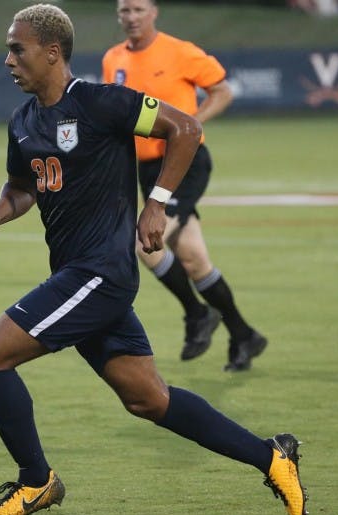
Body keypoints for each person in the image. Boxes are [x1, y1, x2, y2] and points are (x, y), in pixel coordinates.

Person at [0, 3, 307, 515]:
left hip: (98, 273)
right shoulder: (24, 121)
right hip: (79, 274)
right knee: (149, 399)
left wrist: (158, 202)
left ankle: (36, 482)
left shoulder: (104, 103)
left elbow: (186, 129)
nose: (8, 59)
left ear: (52, 53)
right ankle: (272, 457)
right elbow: (22, 187)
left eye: (18, 49)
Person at [102, 0, 267, 372]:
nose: (131, 17)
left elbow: (222, 91)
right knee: (193, 258)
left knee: (146, 243)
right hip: (147, 170)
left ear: (154, 12)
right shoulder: (113, 59)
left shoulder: (181, 52)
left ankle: (197, 314)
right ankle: (245, 336)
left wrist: (188, 126)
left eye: (138, 10)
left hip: (184, 163)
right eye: (124, 10)